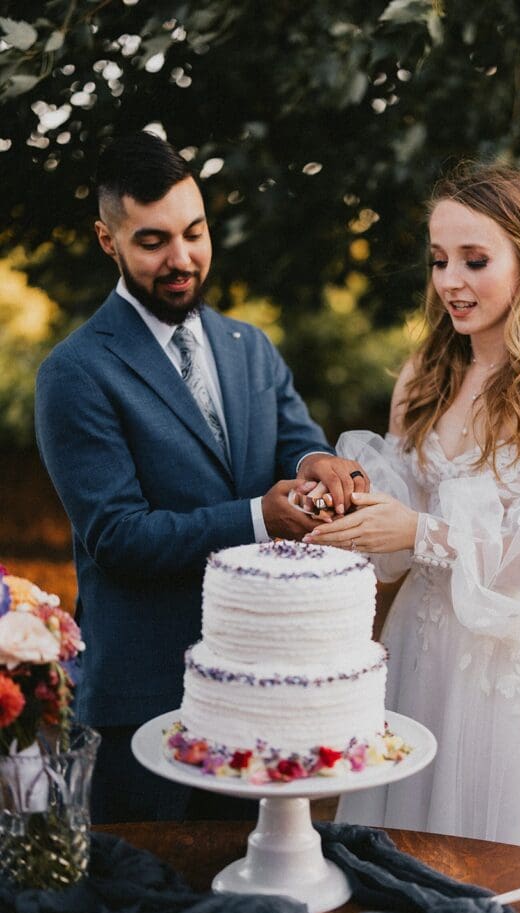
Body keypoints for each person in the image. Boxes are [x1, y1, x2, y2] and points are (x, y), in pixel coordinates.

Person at [304, 161, 520, 889]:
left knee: (513, 878)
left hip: (511, 670)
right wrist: (354, 509)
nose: (450, 282)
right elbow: (395, 540)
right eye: (439, 260)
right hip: (417, 656)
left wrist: (422, 532)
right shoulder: (423, 378)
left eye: (474, 259)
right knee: (401, 869)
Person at [34, 131, 367, 824]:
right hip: (142, 702)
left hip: (259, 696)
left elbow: (294, 440)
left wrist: (317, 464)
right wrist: (258, 519)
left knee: (252, 901)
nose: (182, 258)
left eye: (195, 232)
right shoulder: (74, 373)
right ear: (107, 240)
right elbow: (118, 536)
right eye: (153, 241)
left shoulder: (250, 346)